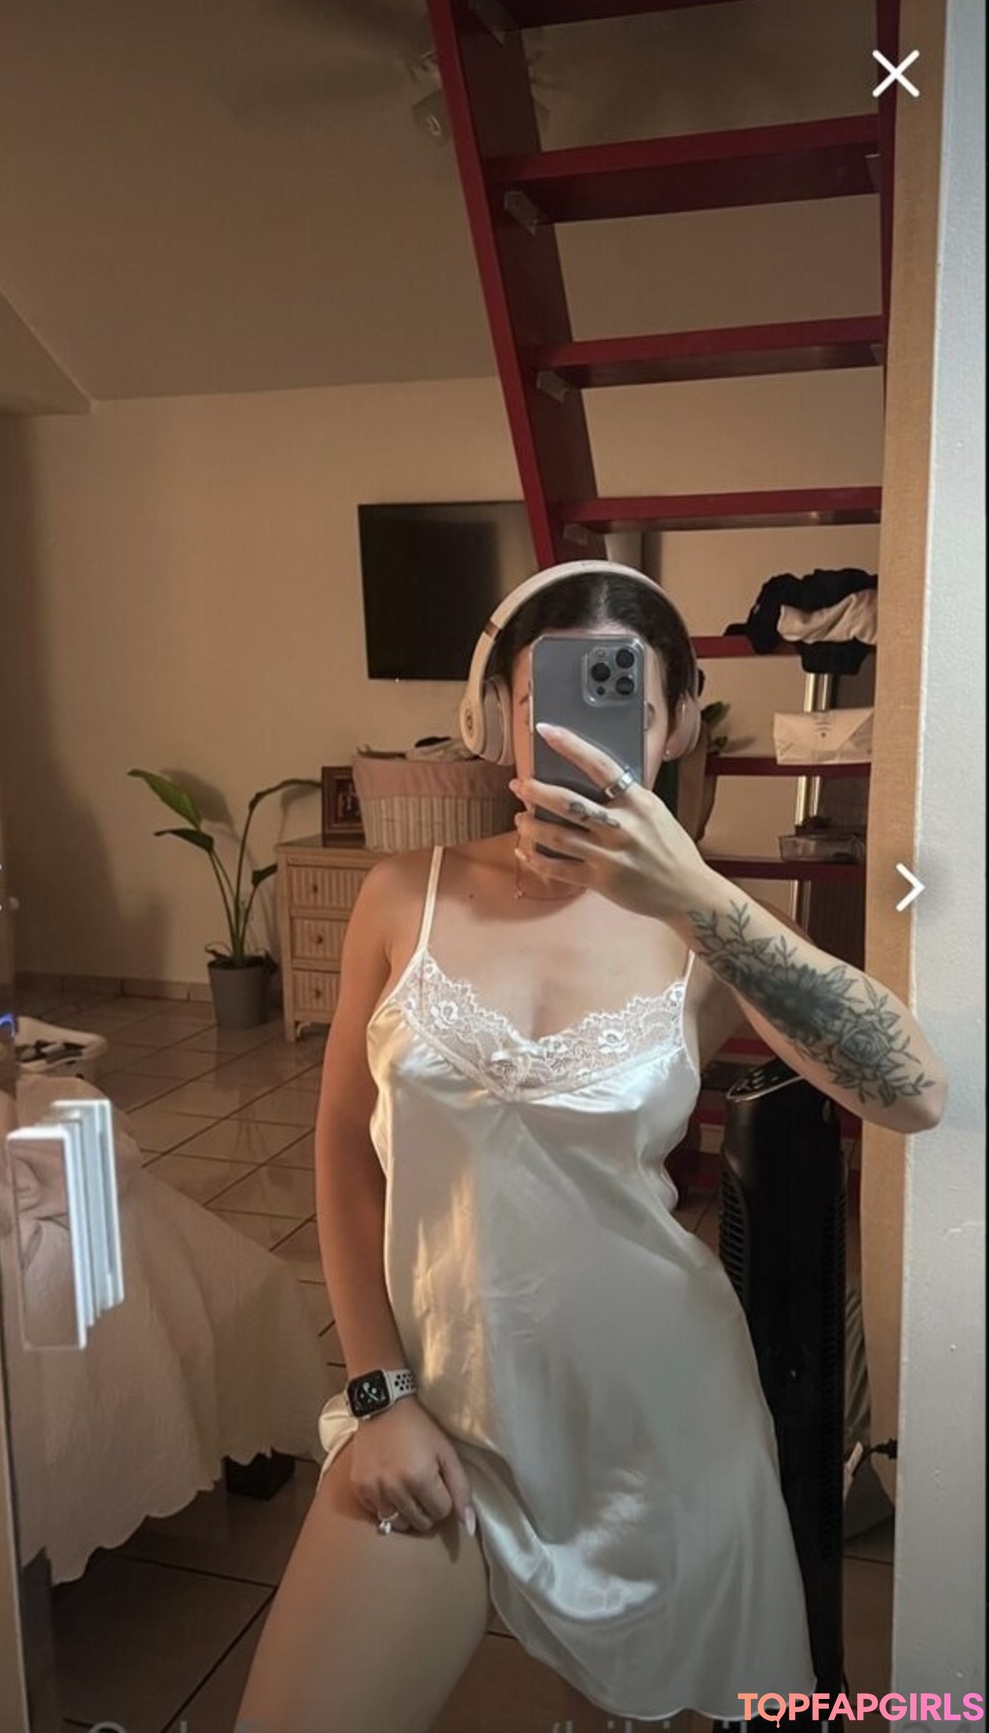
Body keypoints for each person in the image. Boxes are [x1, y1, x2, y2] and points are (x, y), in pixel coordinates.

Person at [234, 563, 948, 1733]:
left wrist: (692, 892)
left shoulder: (704, 929)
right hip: (438, 1414)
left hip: (657, 1434)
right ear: (495, 718)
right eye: (542, 699)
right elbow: (345, 1158)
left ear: (674, 724)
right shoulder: (402, 896)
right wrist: (378, 1390)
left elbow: (912, 1091)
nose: (576, 730)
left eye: (627, 700)